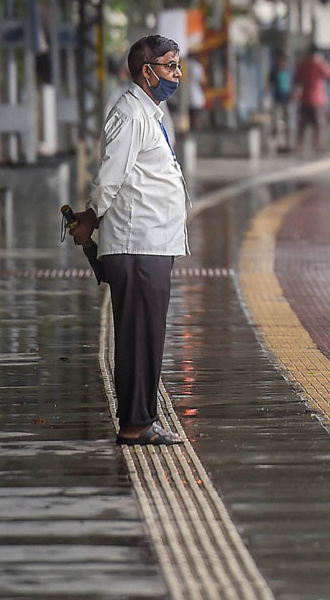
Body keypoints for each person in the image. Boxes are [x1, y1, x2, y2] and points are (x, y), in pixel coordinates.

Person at [69, 35, 190, 447]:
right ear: (147, 71)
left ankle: (141, 419)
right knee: (140, 337)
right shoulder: (130, 113)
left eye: (178, 65)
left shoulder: (148, 112)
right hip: (138, 245)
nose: (177, 74)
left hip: (151, 243)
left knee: (147, 336)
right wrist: (90, 216)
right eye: (170, 66)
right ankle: (137, 424)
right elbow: (110, 177)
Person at [293, 45, 330, 153]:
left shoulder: (302, 65)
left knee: (302, 124)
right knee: (319, 124)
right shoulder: (321, 64)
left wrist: (294, 95)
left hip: (304, 99)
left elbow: (297, 82)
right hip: (318, 99)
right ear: (318, 53)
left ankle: (300, 146)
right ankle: (316, 146)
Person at [267, 49, 294, 151]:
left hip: (288, 100)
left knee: (288, 123)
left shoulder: (289, 71)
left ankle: (287, 144)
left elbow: (293, 85)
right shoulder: (274, 71)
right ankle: (276, 144)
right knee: (276, 123)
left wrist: (294, 95)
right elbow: (269, 86)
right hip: (277, 99)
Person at [187, 57, 208, 131]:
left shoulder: (185, 64)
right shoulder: (197, 66)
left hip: (187, 94)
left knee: (190, 117)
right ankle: (197, 130)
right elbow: (203, 80)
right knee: (197, 115)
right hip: (196, 95)